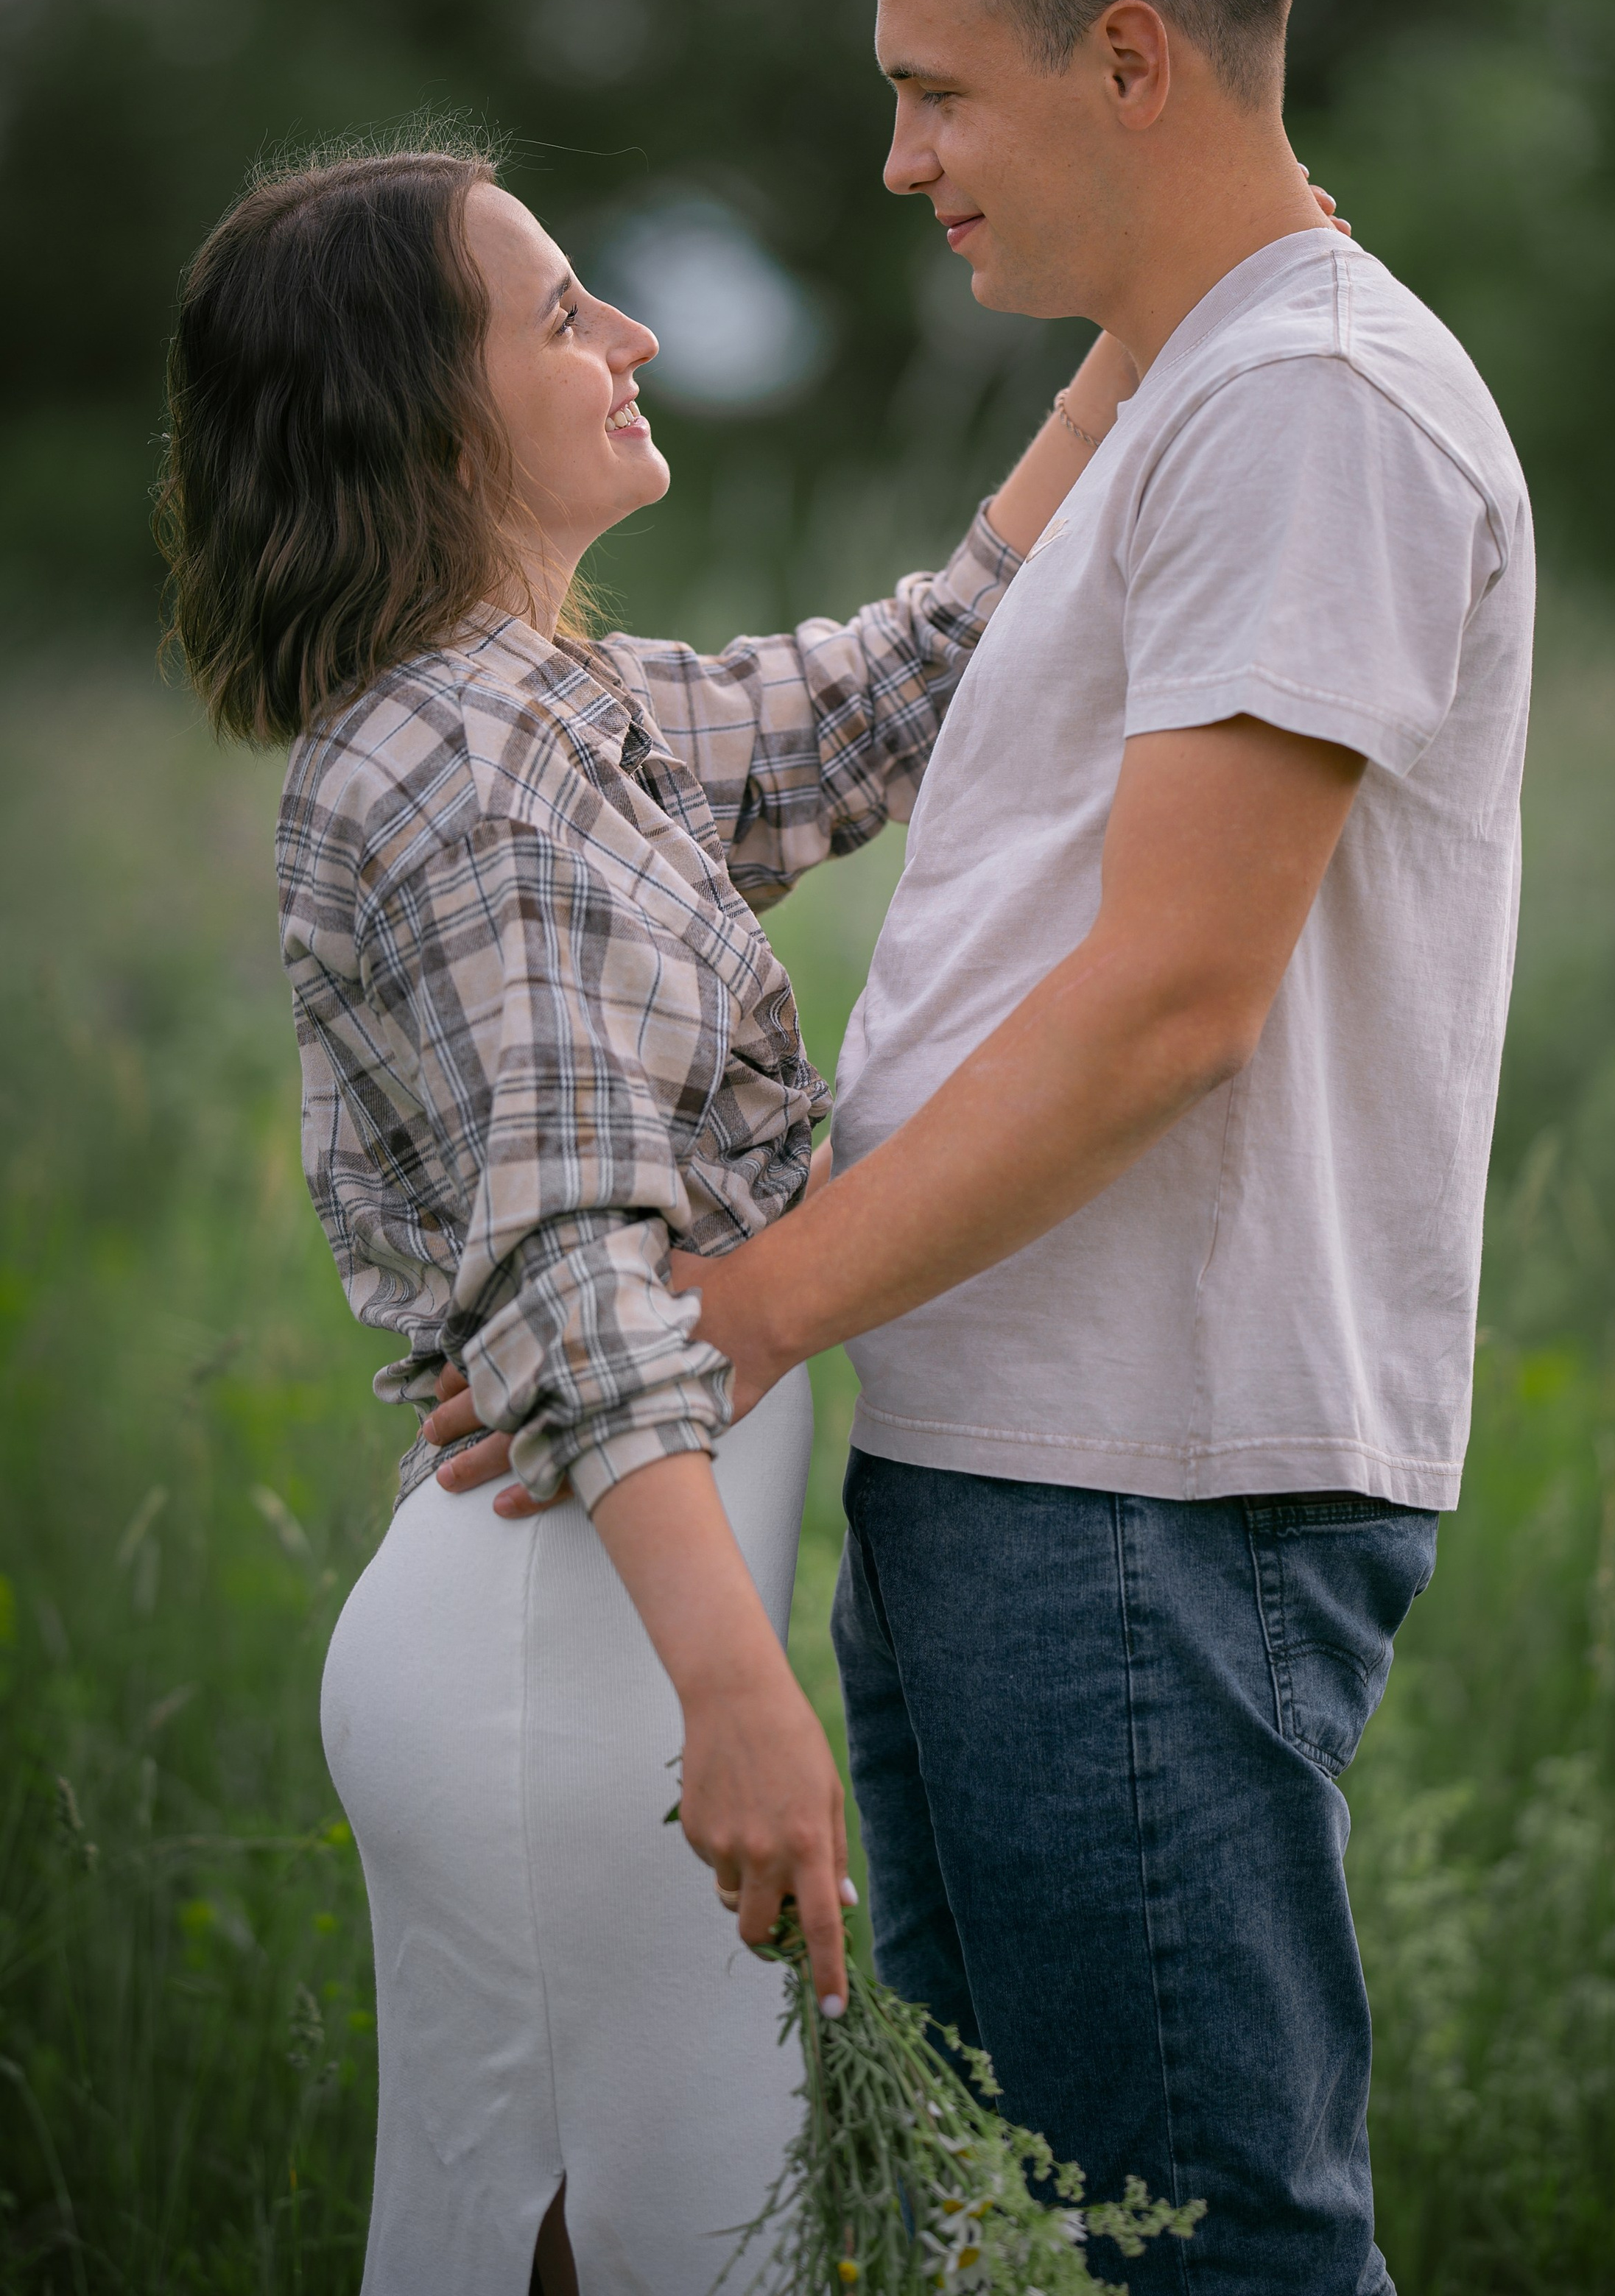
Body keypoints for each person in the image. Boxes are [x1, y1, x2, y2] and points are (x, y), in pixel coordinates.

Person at [445, 0, 1533, 2292]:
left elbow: (1169, 1005)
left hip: (1141, 1490)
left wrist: (733, 1318)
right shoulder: (1208, 380)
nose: (909, 160)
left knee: (1191, 2248)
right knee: (1010, 2238)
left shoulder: (1307, 404)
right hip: (1029, 1467)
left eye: (938, 92)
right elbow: (930, 683)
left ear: (1131, 60)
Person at [153, 141, 1150, 2294]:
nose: (635, 340)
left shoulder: (539, 711)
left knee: (559, 2247)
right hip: (583, 1660)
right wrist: (741, 1696)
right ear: (425, 415)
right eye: (561, 313)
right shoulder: (478, 776)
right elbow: (573, 1290)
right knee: (665, 2254)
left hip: (580, 1631)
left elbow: (890, 690)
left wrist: (1138, 326)